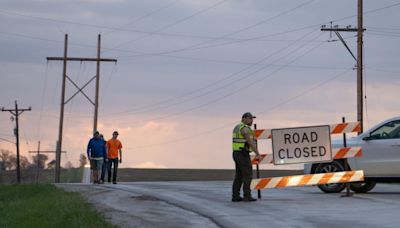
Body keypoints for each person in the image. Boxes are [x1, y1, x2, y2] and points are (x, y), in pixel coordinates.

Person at [232, 112, 261, 202]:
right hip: (242, 154)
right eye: (249, 118)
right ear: (243, 118)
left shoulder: (237, 127)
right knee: (248, 175)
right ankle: (247, 195)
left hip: (237, 153)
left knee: (239, 175)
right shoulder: (244, 128)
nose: (251, 120)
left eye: (252, 119)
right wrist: (257, 153)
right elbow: (250, 142)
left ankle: (235, 196)